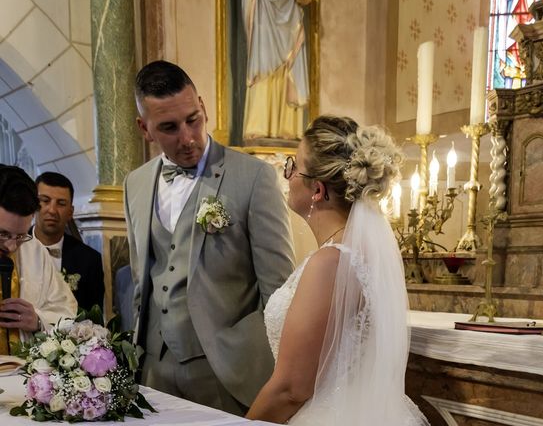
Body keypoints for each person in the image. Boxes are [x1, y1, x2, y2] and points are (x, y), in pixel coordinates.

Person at [125, 60, 294, 414]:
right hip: (152, 370)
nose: (187, 138)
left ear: (202, 105)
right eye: (169, 127)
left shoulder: (255, 177)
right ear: (145, 128)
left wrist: (261, 367)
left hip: (227, 371)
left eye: (193, 119)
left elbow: (278, 294)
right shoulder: (135, 184)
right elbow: (144, 277)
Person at [246, 116, 428, 425]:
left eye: (292, 167)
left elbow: (291, 389)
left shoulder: (331, 262)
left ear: (317, 190)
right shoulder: (357, 254)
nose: (287, 175)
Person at [236, 0, 311, 141]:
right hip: (264, 12)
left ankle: (288, 129)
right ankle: (259, 127)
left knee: (289, 67)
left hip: (289, 16)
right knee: (263, 64)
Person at [0, 165, 77, 353]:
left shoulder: (34, 250)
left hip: (21, 374)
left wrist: (37, 321)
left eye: (19, 235)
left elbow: (65, 310)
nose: (11, 246)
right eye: (2, 234)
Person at [33, 172, 105, 312]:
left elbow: (93, 319)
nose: (52, 210)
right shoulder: (13, 249)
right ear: (33, 204)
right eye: (45, 200)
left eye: (61, 203)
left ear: (70, 212)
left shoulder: (89, 260)